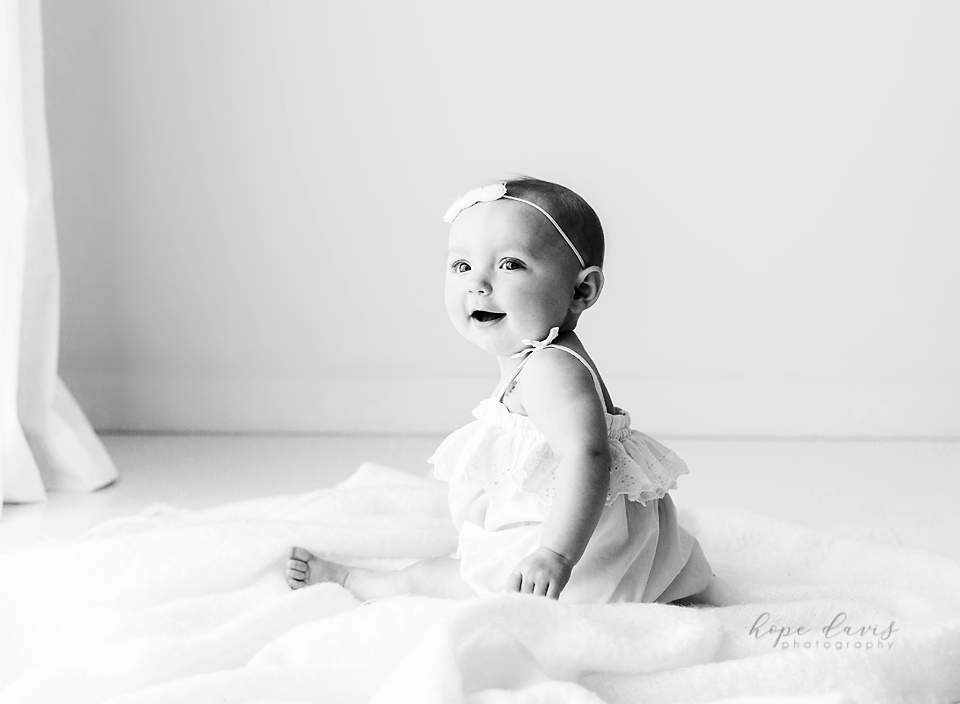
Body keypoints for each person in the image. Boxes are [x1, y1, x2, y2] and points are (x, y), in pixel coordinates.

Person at [286, 177, 713, 604]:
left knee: (427, 580)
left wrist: (555, 554)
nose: (478, 283)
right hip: (600, 545)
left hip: (580, 564)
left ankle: (353, 583)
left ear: (581, 290)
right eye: (462, 266)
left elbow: (586, 455)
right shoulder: (541, 357)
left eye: (510, 264)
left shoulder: (549, 369)